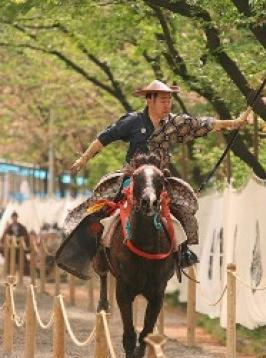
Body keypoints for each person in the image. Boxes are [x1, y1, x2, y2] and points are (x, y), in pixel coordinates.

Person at [58, 80, 251, 277]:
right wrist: (83, 159)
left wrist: (235, 122)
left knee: (186, 206)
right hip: (132, 176)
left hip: (160, 178)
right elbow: (104, 138)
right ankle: (93, 249)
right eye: (163, 101)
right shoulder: (133, 121)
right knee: (100, 203)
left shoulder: (175, 123)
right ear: (149, 100)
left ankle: (182, 252)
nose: (167, 105)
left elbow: (204, 124)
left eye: (169, 101)